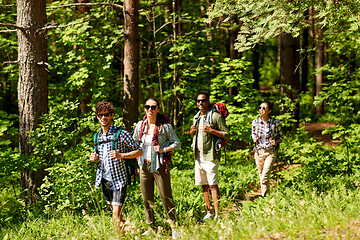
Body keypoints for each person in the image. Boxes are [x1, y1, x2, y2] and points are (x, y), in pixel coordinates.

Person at [90, 101, 143, 235]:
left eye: (106, 114)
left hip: (119, 180)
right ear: (97, 117)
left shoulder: (121, 134)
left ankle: (119, 237)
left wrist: (122, 155)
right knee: (117, 215)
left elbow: (139, 151)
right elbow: (100, 157)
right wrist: (95, 158)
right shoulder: (97, 137)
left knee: (115, 214)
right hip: (104, 180)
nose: (103, 118)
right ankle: (129, 232)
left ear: (112, 115)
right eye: (100, 115)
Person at [133, 97, 181, 239]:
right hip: (144, 166)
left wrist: (164, 149)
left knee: (165, 197)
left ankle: (173, 227)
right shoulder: (140, 126)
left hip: (160, 166)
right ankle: (151, 226)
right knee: (147, 198)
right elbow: (134, 141)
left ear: (158, 109)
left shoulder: (165, 127)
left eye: (153, 107)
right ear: (144, 109)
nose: (150, 110)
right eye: (147, 107)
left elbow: (176, 143)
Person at [190, 91, 230, 221]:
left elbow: (227, 134)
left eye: (203, 100)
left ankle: (218, 214)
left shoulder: (215, 117)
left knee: (213, 185)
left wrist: (212, 131)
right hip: (199, 156)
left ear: (208, 101)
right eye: (198, 101)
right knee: (204, 185)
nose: (200, 103)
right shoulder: (196, 117)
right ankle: (209, 212)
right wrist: (191, 133)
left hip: (211, 155)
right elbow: (197, 136)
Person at [251, 101, 282, 197]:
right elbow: (253, 134)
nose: (261, 110)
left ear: (269, 111)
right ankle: (266, 197)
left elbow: (281, 136)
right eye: (260, 107)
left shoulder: (275, 123)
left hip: (270, 152)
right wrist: (254, 138)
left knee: (264, 176)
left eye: (264, 108)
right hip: (259, 152)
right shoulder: (255, 122)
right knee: (261, 175)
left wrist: (276, 141)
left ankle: (265, 196)